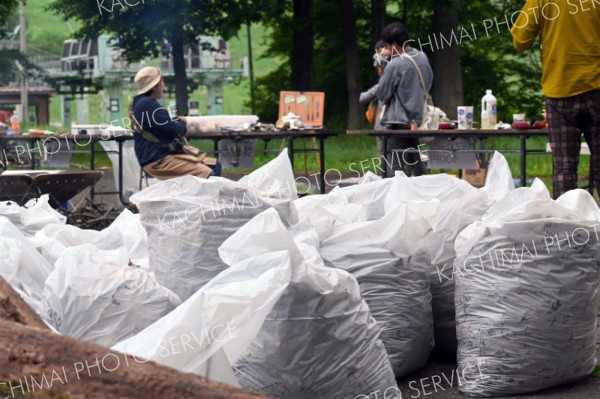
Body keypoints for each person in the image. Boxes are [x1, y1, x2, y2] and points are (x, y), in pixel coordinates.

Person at [511, 2, 600, 198]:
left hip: (560, 91)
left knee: (564, 169)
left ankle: (567, 224)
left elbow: (520, 40)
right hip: (597, 88)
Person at [131, 66, 221, 180]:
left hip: (157, 157)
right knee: (209, 174)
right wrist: (182, 124)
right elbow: (177, 130)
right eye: (161, 81)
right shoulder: (148, 104)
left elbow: (162, 124)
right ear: (154, 86)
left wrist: (174, 123)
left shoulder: (139, 103)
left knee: (214, 165)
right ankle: (195, 198)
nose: (163, 85)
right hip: (159, 160)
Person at [376, 22, 433, 176]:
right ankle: (424, 193)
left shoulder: (395, 64)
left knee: (394, 165)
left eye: (387, 46)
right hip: (417, 120)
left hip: (398, 122)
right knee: (415, 160)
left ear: (394, 45)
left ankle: (397, 198)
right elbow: (428, 83)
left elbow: (382, 94)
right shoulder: (422, 57)